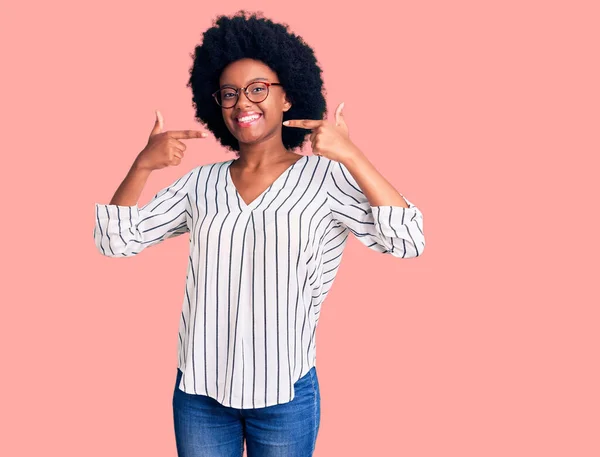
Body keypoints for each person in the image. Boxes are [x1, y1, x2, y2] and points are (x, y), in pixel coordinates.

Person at [93, 10, 425, 457]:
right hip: (200, 392)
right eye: (229, 94)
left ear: (288, 97)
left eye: (257, 89)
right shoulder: (201, 183)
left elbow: (407, 241)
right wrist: (142, 165)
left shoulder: (325, 179)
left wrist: (352, 155)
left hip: (285, 392)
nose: (242, 104)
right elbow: (117, 241)